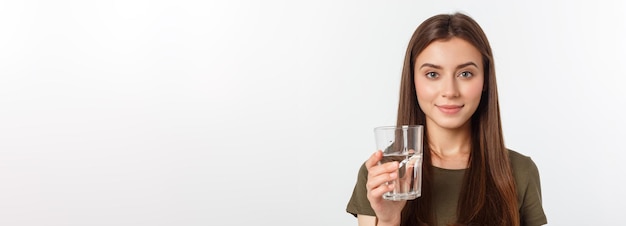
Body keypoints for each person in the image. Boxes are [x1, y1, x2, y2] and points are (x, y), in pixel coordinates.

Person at [346, 12, 547, 226]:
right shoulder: (384, 176)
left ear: (485, 80)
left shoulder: (519, 171)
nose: (450, 91)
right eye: (432, 74)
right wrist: (388, 219)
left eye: (465, 74)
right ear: (412, 80)